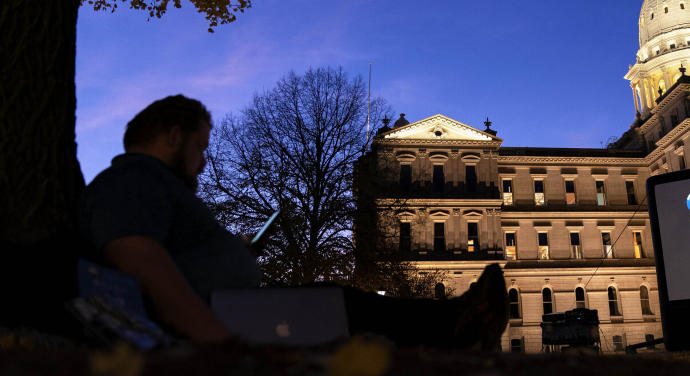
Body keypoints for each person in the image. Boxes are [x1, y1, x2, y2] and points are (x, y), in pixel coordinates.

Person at [79, 95, 507, 348]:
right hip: (220, 317)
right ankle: (454, 324)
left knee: (339, 304)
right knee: (342, 305)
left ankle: (453, 320)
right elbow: (136, 255)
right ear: (173, 137)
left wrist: (233, 255)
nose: (202, 162)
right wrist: (216, 340)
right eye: (199, 147)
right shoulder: (136, 177)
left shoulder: (147, 185)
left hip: (229, 305)